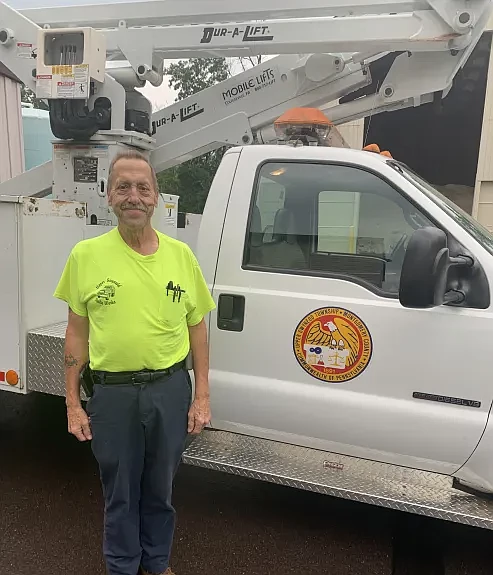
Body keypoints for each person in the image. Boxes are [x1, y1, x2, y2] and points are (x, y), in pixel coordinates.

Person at [53, 148, 216, 575]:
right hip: (112, 394)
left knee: (160, 488)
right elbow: (76, 333)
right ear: (109, 195)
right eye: (123, 186)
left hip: (169, 389)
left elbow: (198, 327)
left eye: (143, 187)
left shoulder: (181, 257)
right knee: (119, 491)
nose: (134, 196)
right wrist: (72, 403)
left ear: (156, 197)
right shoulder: (85, 257)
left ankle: (157, 562)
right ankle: (123, 566)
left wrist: (201, 397)